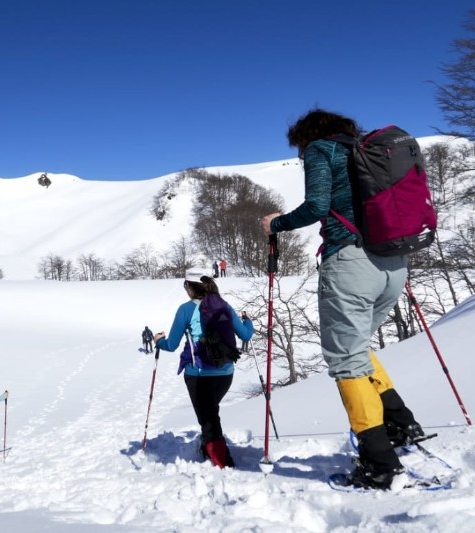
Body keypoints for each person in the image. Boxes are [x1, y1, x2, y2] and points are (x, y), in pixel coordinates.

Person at [260, 108, 424, 490]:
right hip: (395, 261)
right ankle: (401, 424)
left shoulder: (322, 149)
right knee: (358, 348)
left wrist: (276, 224)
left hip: (350, 262)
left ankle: (379, 463)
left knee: (346, 360)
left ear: (307, 135)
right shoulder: (370, 150)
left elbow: (317, 206)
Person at [153, 268, 254, 468]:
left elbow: (171, 345)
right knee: (210, 413)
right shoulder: (224, 306)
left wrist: (159, 341)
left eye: (185, 285)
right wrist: (248, 321)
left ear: (191, 287)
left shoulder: (186, 309)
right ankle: (210, 445)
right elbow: (246, 335)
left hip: (198, 375)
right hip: (225, 373)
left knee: (208, 418)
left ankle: (220, 459)